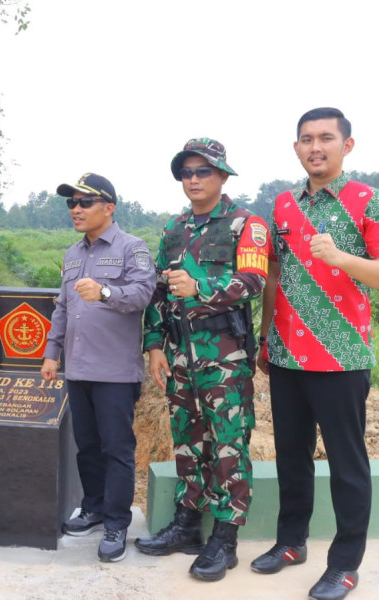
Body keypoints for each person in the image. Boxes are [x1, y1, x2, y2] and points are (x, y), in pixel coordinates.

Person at [252, 108, 379, 600]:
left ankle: (344, 564)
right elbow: (274, 276)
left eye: (326, 138)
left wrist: (340, 257)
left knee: (346, 464)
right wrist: (263, 335)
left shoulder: (370, 200)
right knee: (291, 457)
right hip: (285, 355)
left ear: (347, 145)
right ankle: (291, 542)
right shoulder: (280, 204)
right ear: (296, 148)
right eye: (306, 139)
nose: (315, 146)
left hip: (342, 358)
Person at [134, 139, 268, 581]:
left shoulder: (244, 225)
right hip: (179, 355)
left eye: (203, 171)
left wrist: (201, 288)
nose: (193, 179)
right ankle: (187, 524)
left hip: (224, 356)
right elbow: (157, 292)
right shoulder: (174, 229)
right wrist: (155, 345)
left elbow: (253, 280)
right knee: (189, 442)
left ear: (223, 176)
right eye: (187, 172)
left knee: (228, 442)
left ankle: (225, 538)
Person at [41, 173, 155, 563]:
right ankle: (93, 508)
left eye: (85, 202)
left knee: (117, 450)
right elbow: (63, 306)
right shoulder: (73, 255)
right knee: (87, 446)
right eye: (71, 203)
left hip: (115, 373)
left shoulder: (131, 248)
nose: (76, 209)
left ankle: (116, 522)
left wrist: (106, 291)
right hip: (79, 369)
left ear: (109, 207)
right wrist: (52, 353)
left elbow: (143, 294)